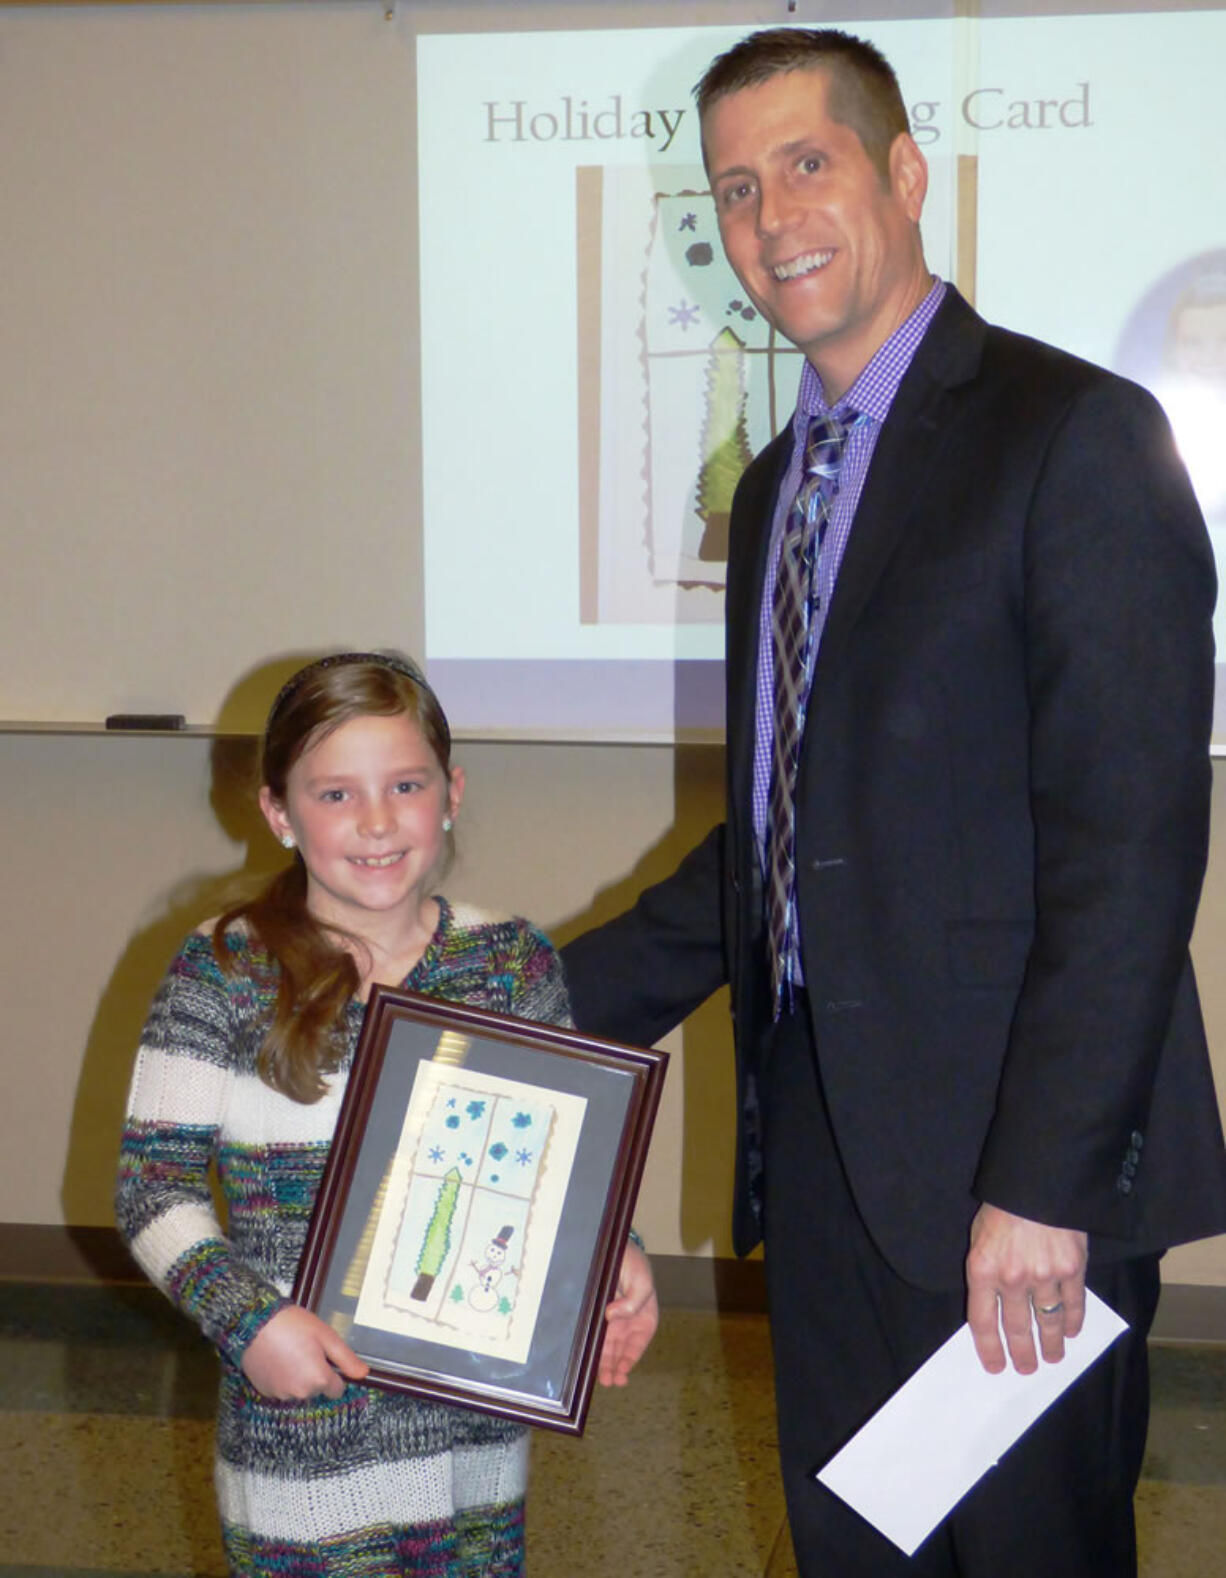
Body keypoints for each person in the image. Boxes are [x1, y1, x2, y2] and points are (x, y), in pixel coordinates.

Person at [560, 27, 1226, 1578]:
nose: (770, 215)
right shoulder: (778, 476)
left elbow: (1126, 849)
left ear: (902, 172)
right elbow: (791, 837)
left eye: (808, 161)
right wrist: (518, 997)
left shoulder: (1072, 437)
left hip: (1014, 1178)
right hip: (827, 1152)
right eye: (734, 187)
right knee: (853, 1546)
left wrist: (1041, 1185)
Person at [116, 650, 657, 1577]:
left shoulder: (510, 961)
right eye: (334, 795)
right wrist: (252, 1326)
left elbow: (559, 1165)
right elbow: (150, 1189)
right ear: (278, 813)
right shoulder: (225, 969)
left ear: (451, 793)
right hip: (305, 1427)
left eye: (405, 785)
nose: (376, 822)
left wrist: (615, 1248)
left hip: (476, 1433)